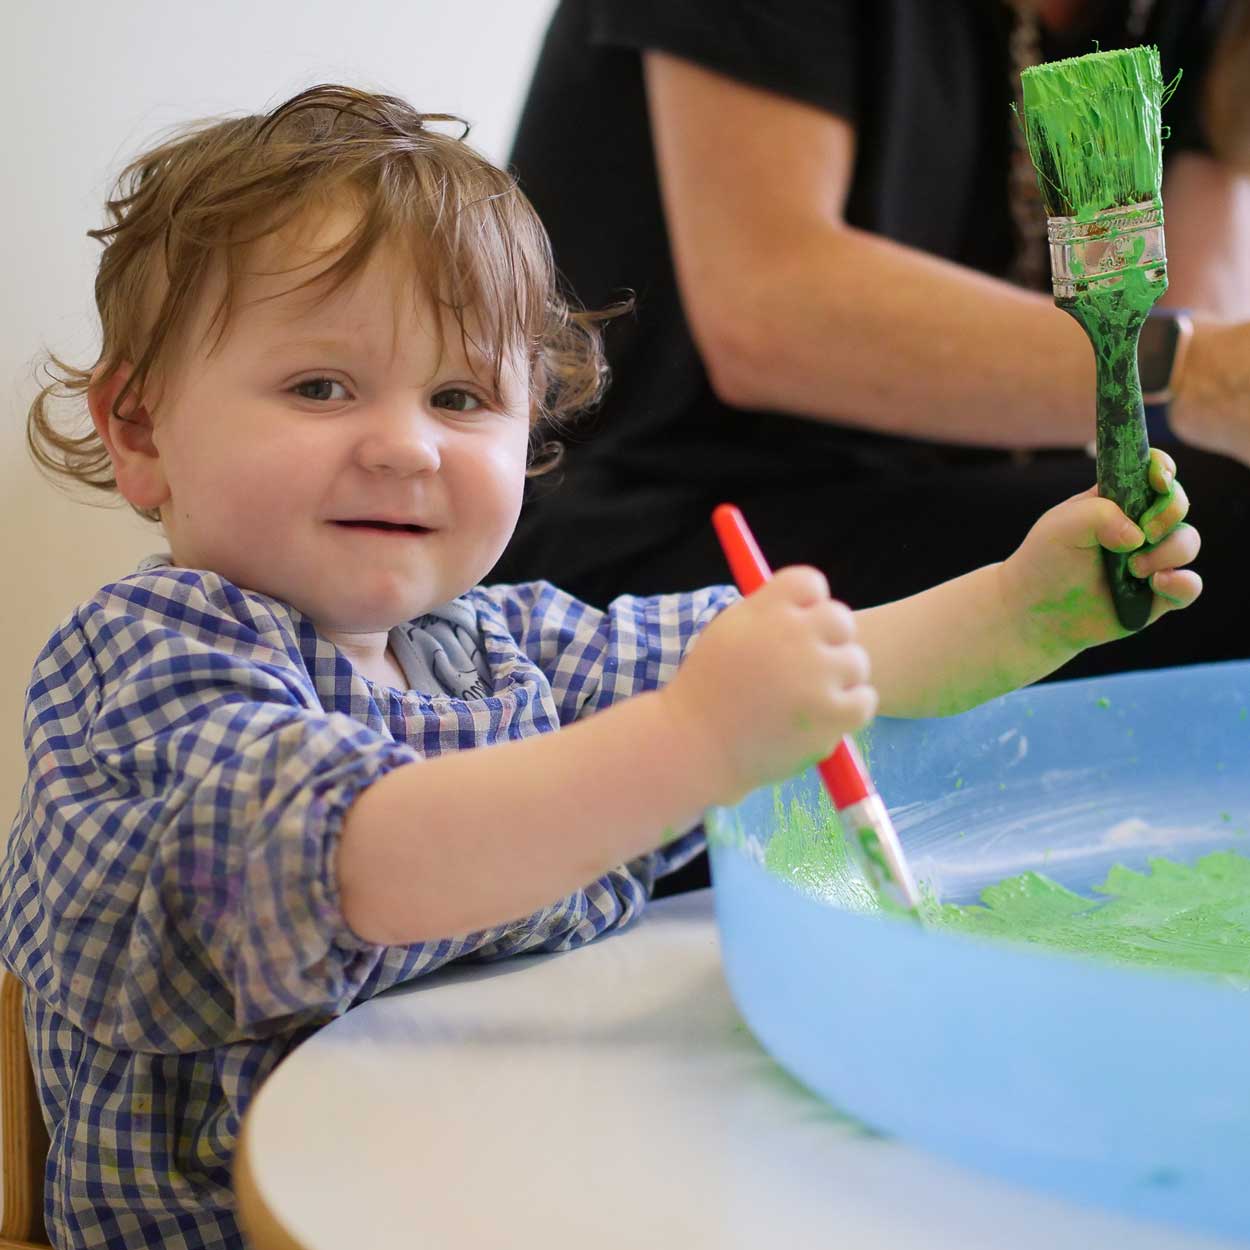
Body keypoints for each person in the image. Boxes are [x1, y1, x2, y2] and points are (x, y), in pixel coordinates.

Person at [2, 85, 1199, 1249]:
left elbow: (818, 667)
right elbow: (349, 857)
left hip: (485, 1186)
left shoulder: (503, 642)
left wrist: (1018, 608)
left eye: (461, 395)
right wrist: (691, 743)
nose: (406, 444)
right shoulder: (148, 660)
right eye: (321, 386)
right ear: (142, 430)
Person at [494, 0, 1250, 676]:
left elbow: (1188, 353)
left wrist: (1198, 374)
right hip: (657, 540)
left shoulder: (1178, 15)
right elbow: (770, 314)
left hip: (945, 502)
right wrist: (1190, 366)